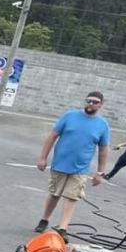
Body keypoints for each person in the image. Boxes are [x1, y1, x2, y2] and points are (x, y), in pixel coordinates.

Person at [34, 91, 110, 234]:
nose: (91, 104)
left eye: (95, 102)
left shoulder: (102, 125)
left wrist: (100, 173)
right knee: (54, 194)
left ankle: (63, 228)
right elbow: (52, 137)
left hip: (81, 168)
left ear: (101, 104)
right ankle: (44, 219)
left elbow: (103, 150)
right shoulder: (69, 116)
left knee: (72, 196)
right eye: (88, 101)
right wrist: (43, 158)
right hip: (60, 164)